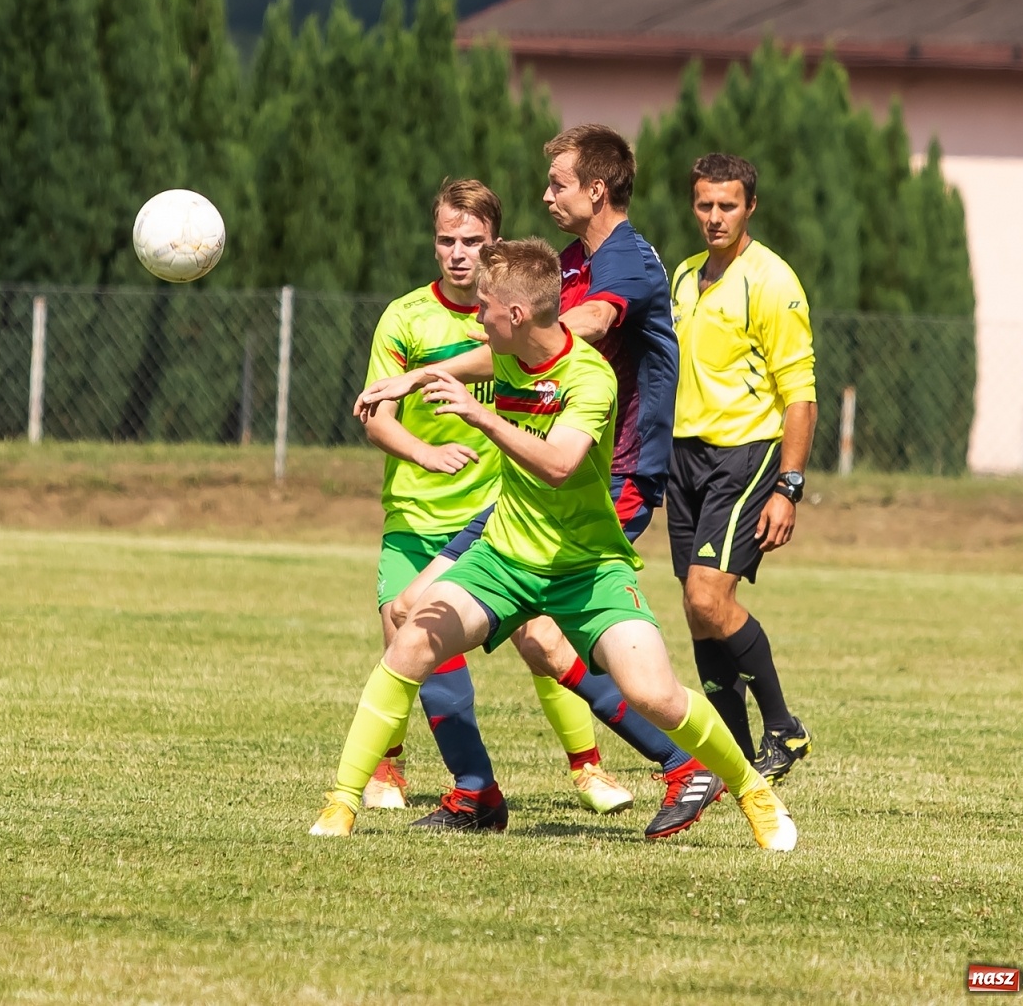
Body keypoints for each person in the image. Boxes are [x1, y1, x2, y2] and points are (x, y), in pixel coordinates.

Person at [313, 237, 797, 850]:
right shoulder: (506, 349)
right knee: (410, 638)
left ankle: (752, 788)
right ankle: (341, 804)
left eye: (485, 307)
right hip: (505, 556)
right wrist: (405, 382)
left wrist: (481, 417)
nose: (476, 315)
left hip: (587, 567)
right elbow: (467, 362)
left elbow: (561, 464)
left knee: (653, 692)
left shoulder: (587, 376)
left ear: (514, 316)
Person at [362, 126, 724, 841]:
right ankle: (481, 788)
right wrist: (419, 374)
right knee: (438, 616)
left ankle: (683, 764)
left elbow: (575, 326)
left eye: (557, 183)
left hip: (602, 481)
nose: (546, 194)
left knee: (555, 640)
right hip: (538, 491)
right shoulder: (571, 262)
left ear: (596, 189)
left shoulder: (627, 262)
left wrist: (469, 360)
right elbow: (524, 334)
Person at [359, 178, 628, 832]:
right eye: (446, 240)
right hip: (413, 517)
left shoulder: (513, 319)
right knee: (405, 626)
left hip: (493, 514)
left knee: (541, 638)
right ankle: (403, 768)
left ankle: (588, 763)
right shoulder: (404, 317)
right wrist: (424, 453)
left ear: (495, 246)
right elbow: (376, 413)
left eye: (471, 242)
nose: (457, 254)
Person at [668, 153, 818, 782]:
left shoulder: (772, 281)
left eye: (727, 205)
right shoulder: (682, 277)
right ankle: (731, 755)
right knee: (696, 607)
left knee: (709, 594)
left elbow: (801, 395)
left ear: (750, 207)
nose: (714, 216)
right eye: (704, 204)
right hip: (683, 456)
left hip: (746, 454)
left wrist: (789, 486)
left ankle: (782, 725)